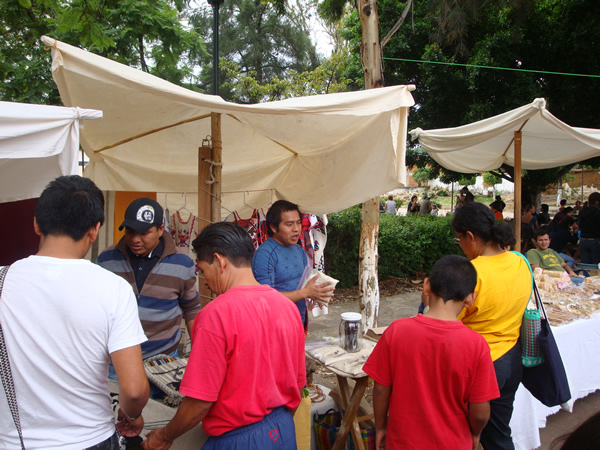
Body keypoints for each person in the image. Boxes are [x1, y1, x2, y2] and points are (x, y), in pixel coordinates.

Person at [0, 175, 149, 449]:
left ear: (36, 223)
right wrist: (132, 415)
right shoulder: (113, 289)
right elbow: (135, 390)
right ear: (94, 229)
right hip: (91, 438)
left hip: (14, 440)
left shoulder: (2, 282)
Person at [142, 222, 306, 449]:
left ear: (219, 261)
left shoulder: (215, 315)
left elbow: (200, 402)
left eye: (202, 270)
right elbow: (298, 384)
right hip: (284, 429)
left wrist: (165, 436)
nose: (205, 281)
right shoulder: (287, 307)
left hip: (238, 439)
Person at [363, 255, 499, 449]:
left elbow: (380, 389)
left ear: (426, 286)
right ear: (470, 297)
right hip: (454, 442)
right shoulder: (477, 345)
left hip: (403, 441)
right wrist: (475, 434)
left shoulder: (396, 331)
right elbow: (480, 411)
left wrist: (381, 428)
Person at [452, 202, 532, 449]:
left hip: (480, 365)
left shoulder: (470, 272)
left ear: (471, 237)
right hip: (512, 360)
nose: (462, 248)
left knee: (463, 433)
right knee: (498, 433)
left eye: (460, 241)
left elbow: (448, 323)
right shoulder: (520, 262)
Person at [97, 197, 201, 365]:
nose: (135, 239)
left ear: (160, 230)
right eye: (130, 231)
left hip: (165, 358)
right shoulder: (106, 260)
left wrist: (199, 354)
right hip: (117, 359)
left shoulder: (181, 264)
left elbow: (191, 309)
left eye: (144, 233)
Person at [252, 200, 334, 330]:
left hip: (297, 323)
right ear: (273, 227)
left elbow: (303, 285)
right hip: (275, 329)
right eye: (289, 224)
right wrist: (305, 292)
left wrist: (318, 293)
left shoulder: (298, 250)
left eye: (298, 223)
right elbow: (266, 300)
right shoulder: (264, 255)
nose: (296, 229)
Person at [577, 192, 600, 264]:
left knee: (585, 265)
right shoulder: (598, 212)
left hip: (583, 240)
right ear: (597, 202)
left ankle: (586, 275)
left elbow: (579, 225)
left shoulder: (582, 211)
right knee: (596, 265)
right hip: (595, 240)